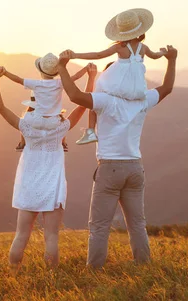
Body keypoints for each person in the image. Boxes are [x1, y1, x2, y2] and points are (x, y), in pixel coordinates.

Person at [58, 45, 178, 268]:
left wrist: (62, 67)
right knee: (137, 225)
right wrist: (171, 59)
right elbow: (167, 87)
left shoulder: (106, 101)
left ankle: (94, 273)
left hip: (110, 168)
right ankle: (144, 268)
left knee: (99, 227)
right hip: (135, 167)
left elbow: (74, 95)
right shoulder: (142, 100)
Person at [0, 61, 97, 270]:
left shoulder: (26, 126)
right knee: (51, 237)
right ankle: (52, 279)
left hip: (28, 185)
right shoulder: (60, 127)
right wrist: (91, 77)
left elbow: (0, 107)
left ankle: (13, 275)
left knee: (21, 235)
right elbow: (83, 104)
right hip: (52, 186)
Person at [61, 9, 166, 145]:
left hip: (118, 85)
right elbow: (155, 56)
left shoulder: (120, 47)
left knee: (97, 94)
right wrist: (163, 53)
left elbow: (98, 55)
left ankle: (91, 130)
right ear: (140, 30)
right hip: (137, 89)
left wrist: (76, 55)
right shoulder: (143, 48)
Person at [1, 53, 91, 152]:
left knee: (25, 120)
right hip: (53, 120)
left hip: (37, 118)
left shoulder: (35, 84)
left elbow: (18, 79)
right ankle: (63, 143)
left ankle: (22, 143)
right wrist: (86, 69)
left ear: (41, 71)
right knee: (62, 121)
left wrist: (5, 73)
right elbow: (75, 77)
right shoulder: (60, 83)